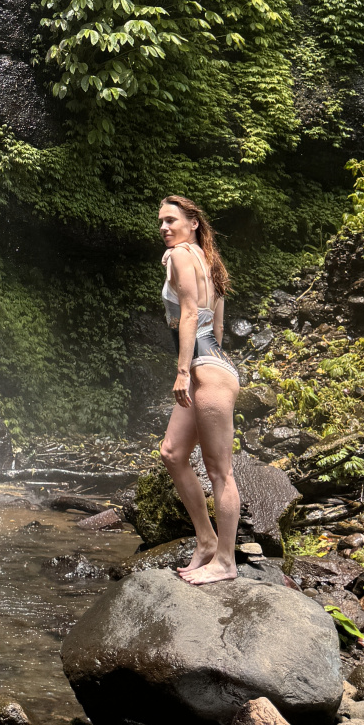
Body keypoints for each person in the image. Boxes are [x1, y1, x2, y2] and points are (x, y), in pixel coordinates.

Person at [157, 195, 242, 584]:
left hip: (205, 371)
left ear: (193, 223)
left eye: (171, 220)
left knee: (219, 471)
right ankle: (207, 541)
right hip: (212, 365)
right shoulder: (208, 260)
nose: (164, 227)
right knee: (173, 453)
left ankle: (226, 561)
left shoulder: (180, 256)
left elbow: (191, 314)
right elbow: (217, 327)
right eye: (161, 222)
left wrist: (184, 372)